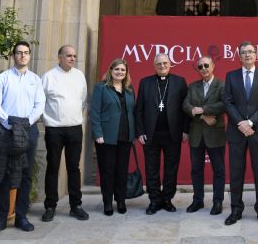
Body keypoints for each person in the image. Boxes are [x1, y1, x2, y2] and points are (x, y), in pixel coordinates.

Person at [0, 41, 45, 237]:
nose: (23, 56)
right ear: (13, 56)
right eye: (19, 53)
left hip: (28, 129)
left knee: (26, 173)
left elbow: (39, 105)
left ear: (29, 56)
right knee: (3, 173)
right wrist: (10, 125)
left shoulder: (35, 80)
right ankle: (0, 219)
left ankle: (21, 216)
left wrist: (25, 123)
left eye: (26, 53)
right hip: (7, 129)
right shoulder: (2, 78)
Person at [223, 41, 258, 226]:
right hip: (237, 133)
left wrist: (250, 122)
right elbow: (228, 102)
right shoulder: (231, 76)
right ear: (239, 56)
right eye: (243, 52)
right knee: (236, 173)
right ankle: (236, 210)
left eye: (250, 52)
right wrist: (241, 124)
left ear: (256, 55)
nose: (247, 55)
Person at [136, 53, 189, 214]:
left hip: (172, 134)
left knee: (170, 169)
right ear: (154, 65)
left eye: (165, 63)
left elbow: (185, 109)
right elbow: (139, 110)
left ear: (170, 64)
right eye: (159, 63)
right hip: (151, 134)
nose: (162, 66)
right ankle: (154, 200)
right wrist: (140, 132)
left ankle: (167, 199)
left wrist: (185, 130)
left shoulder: (179, 82)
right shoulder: (145, 82)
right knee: (151, 169)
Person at [41, 45, 89, 222]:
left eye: (74, 56)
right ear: (59, 57)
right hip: (54, 129)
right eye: (68, 55)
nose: (72, 58)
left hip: (75, 128)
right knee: (53, 166)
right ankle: (50, 206)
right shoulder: (48, 77)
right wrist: (48, 120)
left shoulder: (79, 76)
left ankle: (75, 205)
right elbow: (40, 101)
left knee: (73, 168)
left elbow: (83, 101)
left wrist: (74, 117)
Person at [90, 58, 136, 216]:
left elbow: (133, 112)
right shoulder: (101, 88)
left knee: (121, 171)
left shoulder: (129, 90)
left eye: (123, 70)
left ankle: (121, 200)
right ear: (111, 71)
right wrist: (98, 133)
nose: (120, 72)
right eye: (117, 69)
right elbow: (94, 112)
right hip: (106, 137)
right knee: (107, 171)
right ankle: (107, 202)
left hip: (125, 136)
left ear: (126, 72)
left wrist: (134, 133)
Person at [182, 56, 226, 215]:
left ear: (213, 66)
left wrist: (202, 109)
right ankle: (198, 201)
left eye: (206, 65)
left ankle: (218, 201)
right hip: (196, 135)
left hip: (216, 134)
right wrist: (202, 116)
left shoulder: (222, 85)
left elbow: (224, 104)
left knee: (219, 170)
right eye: (200, 67)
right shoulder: (192, 86)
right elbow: (186, 105)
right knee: (196, 170)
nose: (204, 69)